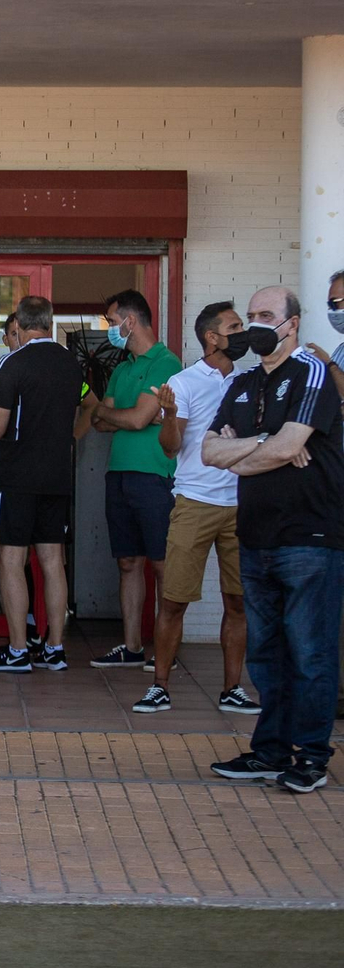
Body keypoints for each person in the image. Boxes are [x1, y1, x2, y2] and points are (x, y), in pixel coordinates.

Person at [204, 286, 344, 794]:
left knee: (310, 654)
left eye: (267, 315)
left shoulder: (310, 372)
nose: (255, 325)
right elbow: (207, 451)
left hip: (309, 537)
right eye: (250, 316)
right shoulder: (241, 384)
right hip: (256, 535)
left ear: (293, 324)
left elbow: (288, 445)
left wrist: (261, 447)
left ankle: (310, 756)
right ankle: (269, 751)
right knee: (266, 654)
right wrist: (269, 443)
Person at [132, 301, 257, 714]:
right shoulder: (183, 382)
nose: (243, 332)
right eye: (235, 326)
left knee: (237, 601)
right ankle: (160, 685)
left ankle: (232, 689)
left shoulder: (250, 382)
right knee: (174, 600)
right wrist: (168, 413)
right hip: (194, 502)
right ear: (211, 336)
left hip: (241, 505)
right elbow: (170, 448)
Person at [0, 296, 84, 672]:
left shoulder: (12, 363)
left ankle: (19, 650)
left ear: (18, 323)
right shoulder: (71, 364)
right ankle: (55, 648)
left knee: (11, 559)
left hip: (17, 477)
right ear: (50, 322)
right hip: (57, 476)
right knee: (53, 561)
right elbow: (85, 410)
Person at [89, 289, 184, 668]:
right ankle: (132, 648)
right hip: (119, 475)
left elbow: (136, 419)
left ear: (131, 320)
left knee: (162, 564)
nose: (110, 329)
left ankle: (166, 650)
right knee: (128, 562)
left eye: (112, 322)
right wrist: (127, 415)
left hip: (155, 475)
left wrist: (123, 416)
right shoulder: (122, 368)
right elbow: (98, 420)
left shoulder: (166, 362)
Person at [304, 267, 344, 720]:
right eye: (331, 303)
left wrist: (328, 366)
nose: (335, 311)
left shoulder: (333, 358)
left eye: (340, 303)